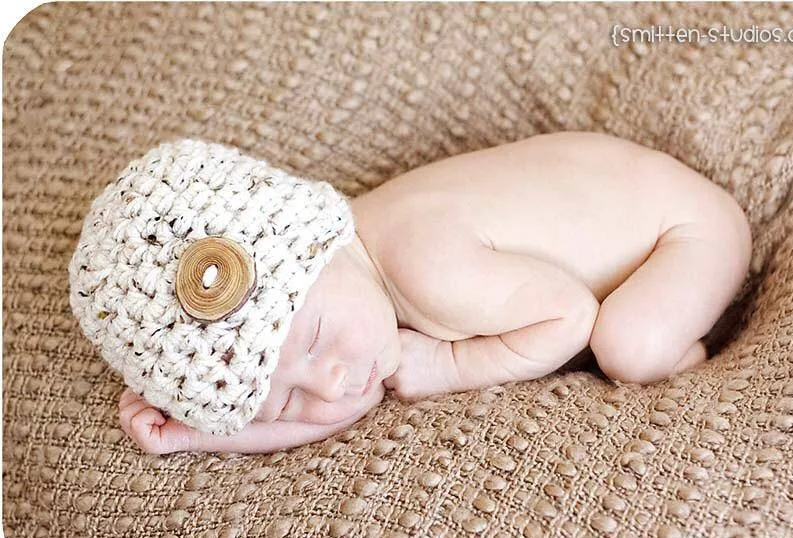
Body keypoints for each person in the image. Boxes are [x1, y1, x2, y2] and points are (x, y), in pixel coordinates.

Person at [70, 133, 751, 455]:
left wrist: (454, 367)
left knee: (627, 345)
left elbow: (568, 314)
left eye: (310, 340)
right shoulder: (347, 276)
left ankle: (699, 348)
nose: (332, 381)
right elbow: (346, 397)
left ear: (315, 237)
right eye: (284, 397)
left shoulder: (428, 268)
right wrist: (201, 436)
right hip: (634, 200)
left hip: (684, 231)